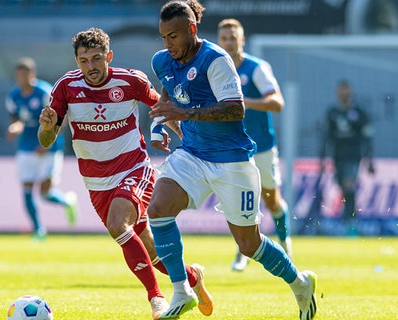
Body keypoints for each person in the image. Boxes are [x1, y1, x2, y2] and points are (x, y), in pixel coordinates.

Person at [146, 1, 317, 319]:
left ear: (192, 30)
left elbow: (235, 108)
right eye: (163, 37)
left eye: (174, 36)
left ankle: (300, 283)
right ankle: (182, 292)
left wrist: (184, 114)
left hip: (232, 162)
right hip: (193, 154)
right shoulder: (162, 61)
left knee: (248, 246)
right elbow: (166, 96)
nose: (168, 44)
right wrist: (159, 125)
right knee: (157, 210)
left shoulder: (216, 60)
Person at [37, 27, 210, 320]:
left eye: (96, 58)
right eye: (84, 60)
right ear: (76, 62)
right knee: (151, 253)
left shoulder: (130, 81)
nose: (90, 66)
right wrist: (46, 126)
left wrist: (188, 138)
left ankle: (157, 299)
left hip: (134, 168)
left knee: (119, 225)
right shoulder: (66, 87)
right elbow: (46, 140)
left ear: (109, 56)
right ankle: (193, 277)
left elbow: (162, 107)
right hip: (96, 182)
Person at [217, 18, 292, 272]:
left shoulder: (256, 68)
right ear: (219, 41)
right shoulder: (214, 69)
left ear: (242, 40)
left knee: (271, 202)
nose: (229, 43)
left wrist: (244, 102)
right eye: (224, 38)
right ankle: (243, 251)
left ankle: (284, 241)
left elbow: (277, 103)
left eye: (233, 38)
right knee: (237, 203)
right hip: (232, 149)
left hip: (261, 146)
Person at [5, 57, 78, 240]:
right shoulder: (13, 96)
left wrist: (48, 143)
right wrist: (14, 128)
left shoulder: (45, 92)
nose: (21, 78)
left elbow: (61, 119)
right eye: (18, 75)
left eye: (24, 74)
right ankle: (38, 230)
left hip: (49, 148)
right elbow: (17, 120)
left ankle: (68, 201)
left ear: (32, 75)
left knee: (45, 193)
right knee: (27, 187)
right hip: (26, 147)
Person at [320, 80, 375, 236]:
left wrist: (369, 160)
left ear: (350, 93)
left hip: (354, 156)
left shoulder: (359, 113)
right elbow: (326, 138)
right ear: (337, 94)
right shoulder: (332, 113)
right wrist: (323, 160)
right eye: (341, 91)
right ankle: (348, 221)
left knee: (349, 186)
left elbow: (367, 137)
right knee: (343, 188)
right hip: (338, 157)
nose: (344, 94)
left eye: (346, 91)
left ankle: (350, 224)